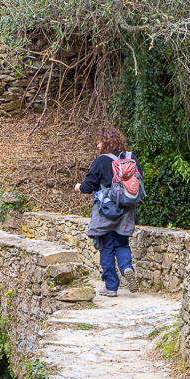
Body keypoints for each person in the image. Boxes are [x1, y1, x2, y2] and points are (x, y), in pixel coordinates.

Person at [76, 126, 139, 297]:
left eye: (98, 142)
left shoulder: (101, 160)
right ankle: (127, 268)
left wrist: (79, 187)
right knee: (122, 243)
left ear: (105, 142)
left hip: (106, 210)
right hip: (127, 208)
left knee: (106, 247)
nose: (97, 146)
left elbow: (89, 186)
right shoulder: (130, 157)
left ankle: (111, 286)